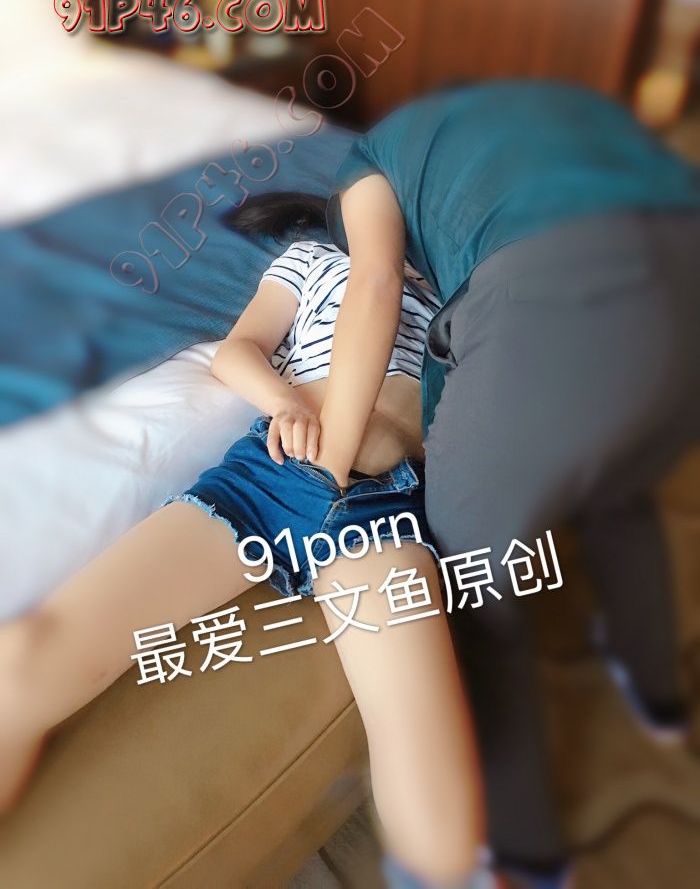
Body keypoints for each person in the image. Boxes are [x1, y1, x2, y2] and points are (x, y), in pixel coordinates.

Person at [228, 80, 700, 888]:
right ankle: (659, 696)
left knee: (471, 579)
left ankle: (525, 848)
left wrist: (328, 469)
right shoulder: (516, 117)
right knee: (617, 484)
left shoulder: (365, 172)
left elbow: (375, 286)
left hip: (553, 292)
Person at [0, 238, 498, 888]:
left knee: (425, 763)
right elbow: (239, 351)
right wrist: (283, 402)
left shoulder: (477, 285)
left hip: (388, 510)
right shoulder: (317, 258)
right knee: (24, 660)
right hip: (266, 477)